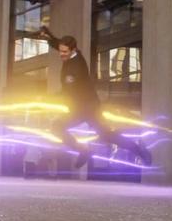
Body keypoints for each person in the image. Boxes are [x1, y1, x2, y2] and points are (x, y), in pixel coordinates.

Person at [38, 26, 152, 168]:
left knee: (107, 136)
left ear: (73, 50)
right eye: (61, 51)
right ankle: (84, 151)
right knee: (57, 127)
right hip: (78, 108)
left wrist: (50, 98)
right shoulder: (71, 52)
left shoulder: (75, 67)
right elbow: (57, 43)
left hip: (90, 108)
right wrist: (48, 35)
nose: (62, 54)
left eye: (65, 52)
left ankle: (138, 149)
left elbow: (68, 90)